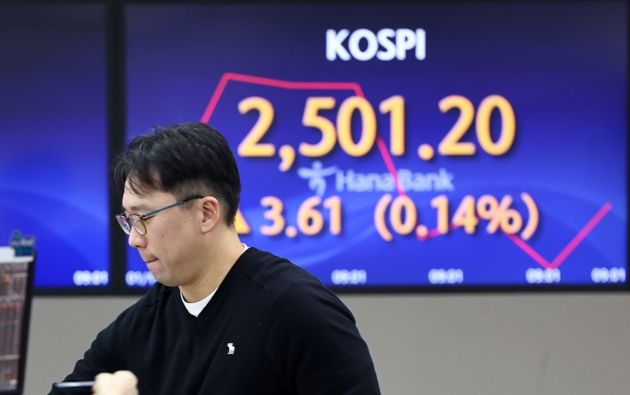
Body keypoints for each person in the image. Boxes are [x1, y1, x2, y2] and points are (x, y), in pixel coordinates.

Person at [49, 122, 381, 394]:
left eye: (144, 218)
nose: (135, 239)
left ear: (206, 213)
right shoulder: (140, 326)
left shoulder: (297, 310)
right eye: (128, 221)